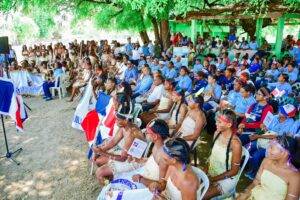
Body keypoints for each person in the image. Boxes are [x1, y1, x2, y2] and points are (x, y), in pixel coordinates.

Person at [93, 107, 145, 185]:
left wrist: (102, 152)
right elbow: (113, 142)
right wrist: (99, 150)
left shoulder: (131, 134)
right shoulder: (124, 127)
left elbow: (123, 159)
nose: (116, 121)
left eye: (118, 120)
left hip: (132, 161)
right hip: (125, 156)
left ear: (126, 120)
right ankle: (111, 180)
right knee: (98, 160)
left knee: (99, 173)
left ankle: (109, 189)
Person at [204, 109, 242, 199]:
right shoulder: (217, 133)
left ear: (229, 125)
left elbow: (234, 171)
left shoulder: (235, 143)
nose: (216, 123)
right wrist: (205, 171)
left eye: (219, 122)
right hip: (212, 172)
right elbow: (212, 156)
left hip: (226, 178)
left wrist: (212, 179)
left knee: (201, 196)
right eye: (217, 120)